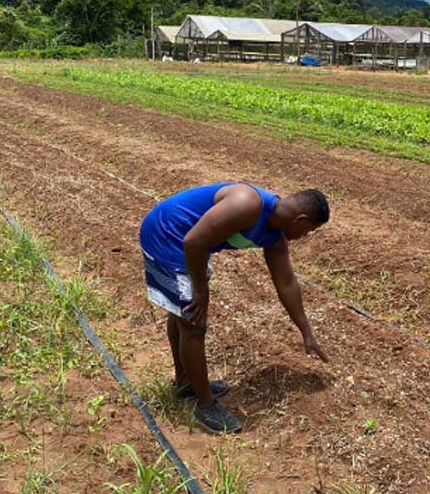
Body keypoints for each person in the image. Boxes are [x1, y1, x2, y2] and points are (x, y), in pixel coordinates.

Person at [139, 182, 331, 434]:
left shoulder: (274, 237)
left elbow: (286, 283)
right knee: (193, 323)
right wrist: (200, 290)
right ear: (300, 219)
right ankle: (205, 405)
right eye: (310, 230)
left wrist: (306, 331)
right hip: (168, 235)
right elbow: (193, 242)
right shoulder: (247, 204)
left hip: (190, 243)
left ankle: (187, 382)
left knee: (185, 316)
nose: (306, 236)